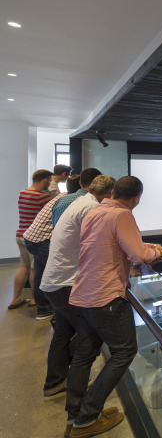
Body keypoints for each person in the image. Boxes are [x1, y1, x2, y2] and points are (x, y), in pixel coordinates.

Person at [64, 176, 162, 437]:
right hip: (107, 296)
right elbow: (137, 255)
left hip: (84, 292)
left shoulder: (96, 211)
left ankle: (76, 414)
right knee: (124, 352)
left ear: (113, 191)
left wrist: (147, 247)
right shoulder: (122, 215)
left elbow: (120, 245)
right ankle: (87, 417)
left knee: (84, 355)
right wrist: (157, 252)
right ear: (136, 198)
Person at [40, 175, 115, 400]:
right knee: (91, 336)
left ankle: (54, 382)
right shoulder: (91, 208)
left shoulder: (80, 202)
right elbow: (99, 245)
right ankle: (79, 399)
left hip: (53, 282)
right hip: (65, 283)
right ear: (110, 193)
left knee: (63, 333)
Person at [22, 175, 79, 320]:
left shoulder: (62, 196)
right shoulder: (71, 200)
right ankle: (61, 313)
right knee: (55, 275)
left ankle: (43, 309)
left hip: (31, 237)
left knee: (41, 273)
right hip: (43, 240)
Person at [9, 169, 52, 310]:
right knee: (35, 269)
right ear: (44, 179)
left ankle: (16, 298)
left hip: (20, 235)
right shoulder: (42, 197)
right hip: (32, 237)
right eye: (49, 180)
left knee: (23, 266)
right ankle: (34, 299)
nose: (50, 183)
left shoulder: (23, 193)